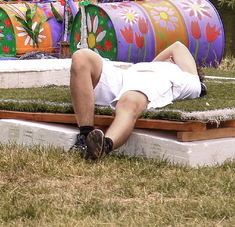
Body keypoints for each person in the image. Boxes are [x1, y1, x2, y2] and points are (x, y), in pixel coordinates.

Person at [69, 41, 207, 160]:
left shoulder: (186, 78)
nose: (170, 57)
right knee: (81, 57)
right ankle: (84, 137)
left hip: (154, 81)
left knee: (129, 101)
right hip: (124, 76)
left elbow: (177, 46)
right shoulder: (149, 65)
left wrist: (171, 63)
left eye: (172, 58)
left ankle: (104, 146)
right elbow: (165, 55)